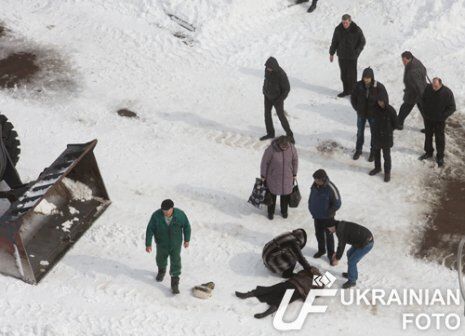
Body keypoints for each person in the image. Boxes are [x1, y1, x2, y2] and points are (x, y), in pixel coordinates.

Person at [235, 268, 322, 319]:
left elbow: (317, 294)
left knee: (279, 298)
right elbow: (298, 274)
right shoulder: (309, 270)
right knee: (271, 290)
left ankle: (265, 313)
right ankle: (247, 295)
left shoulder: (316, 278)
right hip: (291, 284)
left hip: (298, 290)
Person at [145, 199, 191, 294]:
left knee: (176, 261)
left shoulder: (180, 215)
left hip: (176, 244)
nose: (165, 212)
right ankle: (161, 271)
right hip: (162, 244)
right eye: (163, 210)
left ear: (172, 208)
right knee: (160, 259)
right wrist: (148, 244)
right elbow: (150, 229)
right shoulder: (156, 216)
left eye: (167, 210)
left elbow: (186, 226)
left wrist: (187, 239)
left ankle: (175, 283)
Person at [350, 67, 389, 161]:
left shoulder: (378, 86)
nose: (366, 79)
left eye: (368, 77)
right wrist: (358, 108)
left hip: (373, 115)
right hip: (361, 114)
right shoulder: (358, 85)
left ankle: (373, 152)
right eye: (364, 77)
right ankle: (358, 150)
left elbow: (384, 99)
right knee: (360, 133)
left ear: (372, 77)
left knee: (374, 134)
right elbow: (353, 98)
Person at [419, 77, 456, 167]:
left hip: (439, 121)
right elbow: (422, 100)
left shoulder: (447, 92)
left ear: (440, 84)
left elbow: (452, 107)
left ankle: (440, 156)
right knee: (428, 136)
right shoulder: (428, 89)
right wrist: (424, 112)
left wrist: (442, 116)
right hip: (428, 119)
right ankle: (428, 152)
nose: (433, 88)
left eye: (435, 86)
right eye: (433, 85)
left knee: (439, 138)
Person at [308, 169, 341, 265]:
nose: (315, 181)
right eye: (314, 179)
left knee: (329, 237)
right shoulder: (314, 185)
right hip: (317, 216)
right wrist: (311, 208)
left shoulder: (331, 188)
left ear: (323, 179)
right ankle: (321, 250)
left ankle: (331, 254)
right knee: (318, 234)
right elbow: (312, 197)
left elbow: (338, 203)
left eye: (317, 180)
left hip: (328, 218)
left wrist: (328, 212)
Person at [328, 220, 374, 289]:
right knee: (349, 253)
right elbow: (341, 244)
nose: (329, 231)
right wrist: (337, 255)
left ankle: (352, 281)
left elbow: (341, 245)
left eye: (328, 228)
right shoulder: (340, 226)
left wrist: (337, 258)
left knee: (352, 261)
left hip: (366, 243)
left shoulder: (340, 231)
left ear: (332, 226)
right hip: (361, 240)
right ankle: (351, 273)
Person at [261, 135, 298, 220]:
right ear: (278, 143)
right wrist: (263, 175)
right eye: (283, 146)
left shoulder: (292, 148)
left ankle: (284, 211)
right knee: (272, 195)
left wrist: (294, 173)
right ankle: (270, 212)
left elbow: (295, 161)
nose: (285, 148)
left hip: (287, 177)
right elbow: (264, 163)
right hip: (273, 177)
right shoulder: (271, 149)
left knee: (285, 195)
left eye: (286, 146)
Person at [329, 14, 366, 98]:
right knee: (344, 74)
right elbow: (334, 42)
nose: (344, 24)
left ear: (350, 21)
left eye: (346, 23)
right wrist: (331, 53)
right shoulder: (338, 29)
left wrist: (357, 52)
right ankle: (346, 91)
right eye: (343, 23)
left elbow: (362, 41)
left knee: (352, 75)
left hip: (352, 57)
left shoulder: (356, 29)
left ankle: (354, 93)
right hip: (342, 56)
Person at [260, 57, 295, 144]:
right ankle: (270, 133)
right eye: (267, 67)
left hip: (277, 99)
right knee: (267, 115)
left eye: (269, 67)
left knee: (281, 116)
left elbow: (287, 89)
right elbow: (266, 80)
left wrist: (280, 100)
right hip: (267, 96)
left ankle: (290, 135)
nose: (268, 69)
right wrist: (264, 90)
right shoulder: (267, 70)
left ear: (274, 66)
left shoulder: (281, 74)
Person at [370, 96, 398, 182]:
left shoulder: (390, 110)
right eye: (379, 101)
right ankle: (377, 168)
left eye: (382, 101)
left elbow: (395, 123)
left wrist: (389, 130)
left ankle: (387, 173)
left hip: (386, 137)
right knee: (376, 153)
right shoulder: (374, 109)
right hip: (376, 135)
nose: (380, 103)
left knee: (386, 156)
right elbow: (372, 120)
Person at [397, 51, 428, 130]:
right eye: (402, 60)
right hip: (417, 90)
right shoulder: (414, 60)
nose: (403, 62)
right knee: (424, 110)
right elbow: (424, 69)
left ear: (409, 58)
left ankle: (398, 124)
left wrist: (422, 96)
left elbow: (418, 85)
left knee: (405, 107)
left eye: (404, 60)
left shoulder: (413, 71)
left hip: (416, 92)